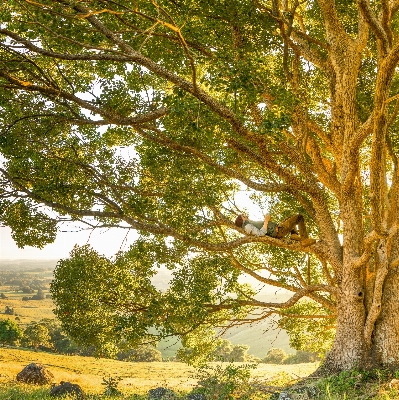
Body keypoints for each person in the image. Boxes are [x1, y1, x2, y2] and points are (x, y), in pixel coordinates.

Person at [234, 213, 316, 247]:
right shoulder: (247, 226)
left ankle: (294, 236)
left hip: (278, 229)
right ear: (242, 220)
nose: (246, 216)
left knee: (289, 219)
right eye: (243, 216)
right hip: (279, 231)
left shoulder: (249, 224)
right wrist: (266, 220)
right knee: (299, 217)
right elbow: (260, 233)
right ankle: (304, 239)